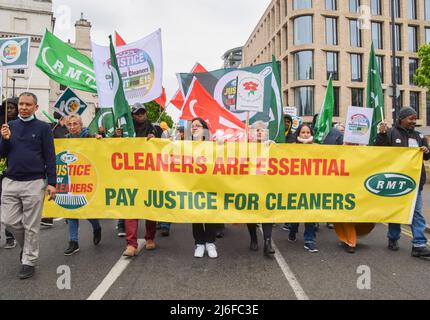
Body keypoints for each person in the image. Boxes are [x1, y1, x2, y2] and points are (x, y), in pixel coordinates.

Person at [0, 92, 57, 279]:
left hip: (34, 182)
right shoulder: (9, 126)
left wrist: (52, 183)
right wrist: (4, 139)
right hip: (11, 181)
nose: (23, 107)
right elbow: (2, 154)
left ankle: (28, 261)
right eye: (21, 104)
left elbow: (50, 156)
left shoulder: (43, 128)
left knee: (31, 225)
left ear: (36, 107)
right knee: (8, 221)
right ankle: (27, 248)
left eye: (28, 104)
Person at [376, 107, 430, 258]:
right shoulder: (391, 133)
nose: (414, 121)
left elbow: (426, 157)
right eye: (411, 119)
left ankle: (419, 244)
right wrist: (381, 134)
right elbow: (379, 150)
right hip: (395, 181)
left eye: (415, 118)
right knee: (396, 211)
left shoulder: (419, 135)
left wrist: (426, 151)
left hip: (415, 182)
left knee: (416, 212)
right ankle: (393, 238)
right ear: (402, 118)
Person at [63, 114, 102, 256]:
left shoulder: (89, 137)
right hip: (72, 178)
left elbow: (99, 151)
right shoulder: (65, 139)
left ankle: (96, 227)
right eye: (69, 124)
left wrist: (98, 140)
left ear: (81, 124)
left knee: (86, 210)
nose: (72, 127)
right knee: (71, 209)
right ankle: (73, 242)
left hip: (87, 178)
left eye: (75, 124)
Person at [123, 103, 157, 257]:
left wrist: (155, 140)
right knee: (131, 208)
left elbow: (167, 145)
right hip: (131, 175)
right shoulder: (126, 131)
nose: (140, 115)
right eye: (137, 113)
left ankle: (150, 238)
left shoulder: (155, 128)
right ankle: (131, 244)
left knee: (150, 208)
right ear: (132, 115)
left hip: (151, 175)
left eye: (142, 112)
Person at [187, 117, 218, 259]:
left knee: (210, 214)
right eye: (192, 125)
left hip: (210, 184)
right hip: (193, 185)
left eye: (197, 125)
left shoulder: (213, 144)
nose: (194, 127)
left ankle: (210, 243)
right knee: (196, 214)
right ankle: (199, 243)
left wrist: (222, 145)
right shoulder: (185, 145)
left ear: (204, 129)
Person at [288, 124, 318, 253]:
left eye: (307, 132)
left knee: (310, 213)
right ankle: (293, 229)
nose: (305, 135)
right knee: (296, 212)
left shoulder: (317, 148)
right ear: (298, 134)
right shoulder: (292, 148)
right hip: (296, 185)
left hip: (312, 185)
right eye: (303, 132)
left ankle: (309, 240)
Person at [247, 121, 276, 256]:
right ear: (251, 133)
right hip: (250, 185)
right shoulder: (244, 147)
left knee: (267, 212)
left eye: (262, 130)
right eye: (256, 130)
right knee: (251, 214)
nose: (259, 132)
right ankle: (253, 238)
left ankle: (267, 242)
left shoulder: (271, 146)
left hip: (267, 184)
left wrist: (275, 148)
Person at [41, 112, 70, 228]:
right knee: (52, 188)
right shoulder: (53, 127)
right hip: (56, 162)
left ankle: (71, 214)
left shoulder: (72, 129)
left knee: (68, 189)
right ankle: (48, 217)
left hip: (71, 164)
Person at [0, 98, 19, 249]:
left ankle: (10, 235)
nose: (9, 110)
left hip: (12, 169)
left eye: (12, 107)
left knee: (9, 206)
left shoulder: (20, 125)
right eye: (6, 107)